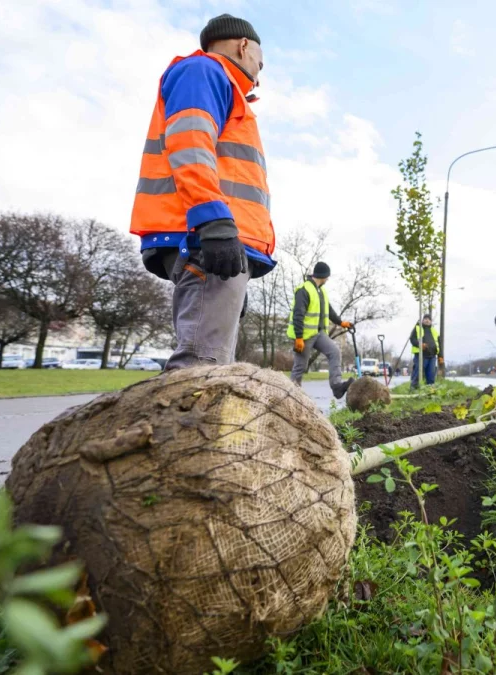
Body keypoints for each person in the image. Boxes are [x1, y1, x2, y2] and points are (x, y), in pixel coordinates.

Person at [129, 13, 274, 370]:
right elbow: (190, 145)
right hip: (205, 239)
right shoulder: (205, 72)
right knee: (199, 371)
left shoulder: (218, 84)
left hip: (216, 244)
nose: (260, 69)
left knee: (211, 368)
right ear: (243, 46)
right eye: (260, 59)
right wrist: (216, 224)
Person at [288, 262, 354, 399]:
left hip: (318, 334)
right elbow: (298, 315)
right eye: (327, 277)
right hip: (304, 336)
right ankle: (291, 397)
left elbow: (328, 310)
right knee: (300, 367)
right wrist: (299, 337)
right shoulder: (304, 290)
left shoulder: (321, 290)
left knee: (334, 351)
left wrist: (341, 322)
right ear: (323, 276)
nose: (328, 279)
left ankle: (337, 387)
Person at [409, 314, 441, 388]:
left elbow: (439, 343)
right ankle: (413, 388)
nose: (427, 320)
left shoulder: (434, 331)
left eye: (429, 319)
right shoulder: (417, 328)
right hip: (421, 355)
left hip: (432, 356)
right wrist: (420, 345)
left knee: (431, 374)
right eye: (425, 319)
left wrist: (440, 356)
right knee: (417, 373)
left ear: (431, 321)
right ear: (422, 320)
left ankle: (430, 390)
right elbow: (412, 339)